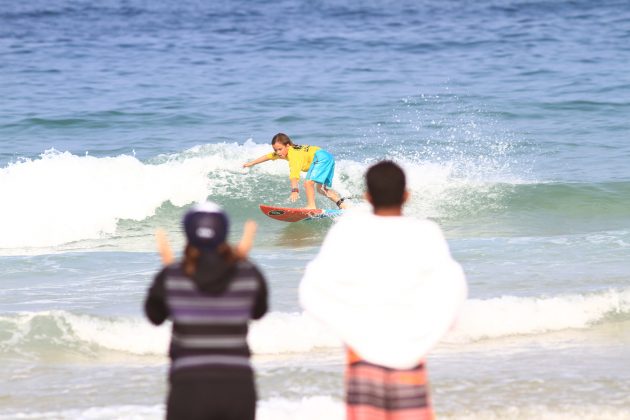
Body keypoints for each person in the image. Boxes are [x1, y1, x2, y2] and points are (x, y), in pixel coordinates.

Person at [299, 161, 467, 420]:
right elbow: (452, 287)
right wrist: (427, 335)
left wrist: (348, 331)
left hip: (362, 354)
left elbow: (313, 289)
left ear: (367, 197)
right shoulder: (425, 232)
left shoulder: (349, 230)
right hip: (410, 354)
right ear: (406, 196)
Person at [145, 202, 268, 420]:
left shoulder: (172, 276)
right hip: (238, 387)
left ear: (188, 232)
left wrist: (166, 267)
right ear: (224, 231)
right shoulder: (248, 274)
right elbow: (259, 311)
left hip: (189, 387)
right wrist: (241, 258)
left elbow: (154, 316)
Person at [243, 132, 347, 209]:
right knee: (321, 189)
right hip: (328, 157)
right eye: (275, 150)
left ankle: (311, 206)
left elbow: (294, 174)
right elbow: (268, 156)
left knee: (308, 183)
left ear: (287, 145)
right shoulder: (285, 152)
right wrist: (252, 163)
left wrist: (294, 190)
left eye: (280, 149)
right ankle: (342, 205)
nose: (278, 152)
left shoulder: (293, 154)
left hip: (320, 158)